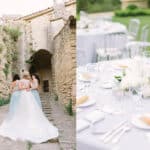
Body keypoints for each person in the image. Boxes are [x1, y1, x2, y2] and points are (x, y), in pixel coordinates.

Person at [0, 71, 59, 143]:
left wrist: (21, 88)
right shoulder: (28, 81)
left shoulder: (20, 81)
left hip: (22, 95)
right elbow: (30, 87)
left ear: (23, 75)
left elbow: (20, 88)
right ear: (27, 76)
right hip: (28, 94)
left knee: (21, 109)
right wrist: (27, 87)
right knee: (30, 108)